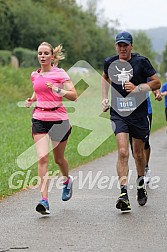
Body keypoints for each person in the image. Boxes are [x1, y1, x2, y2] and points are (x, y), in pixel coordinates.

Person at [101, 31, 161, 211]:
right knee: (122, 151)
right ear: (116, 46)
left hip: (139, 114)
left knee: (138, 153)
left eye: (125, 45)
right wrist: (104, 98)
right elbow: (105, 77)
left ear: (131, 46)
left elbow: (156, 82)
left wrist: (138, 88)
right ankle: (123, 193)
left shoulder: (141, 62)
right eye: (119, 45)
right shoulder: (110, 62)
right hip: (119, 114)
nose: (122, 48)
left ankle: (141, 184)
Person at [25, 42, 77, 215]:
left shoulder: (60, 74)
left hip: (59, 119)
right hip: (39, 117)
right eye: (40, 53)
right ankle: (44, 201)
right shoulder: (35, 75)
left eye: (46, 53)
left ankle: (67, 180)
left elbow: (74, 96)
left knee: (59, 159)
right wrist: (32, 100)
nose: (42, 56)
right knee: (42, 158)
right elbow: (37, 91)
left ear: (52, 56)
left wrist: (57, 90)